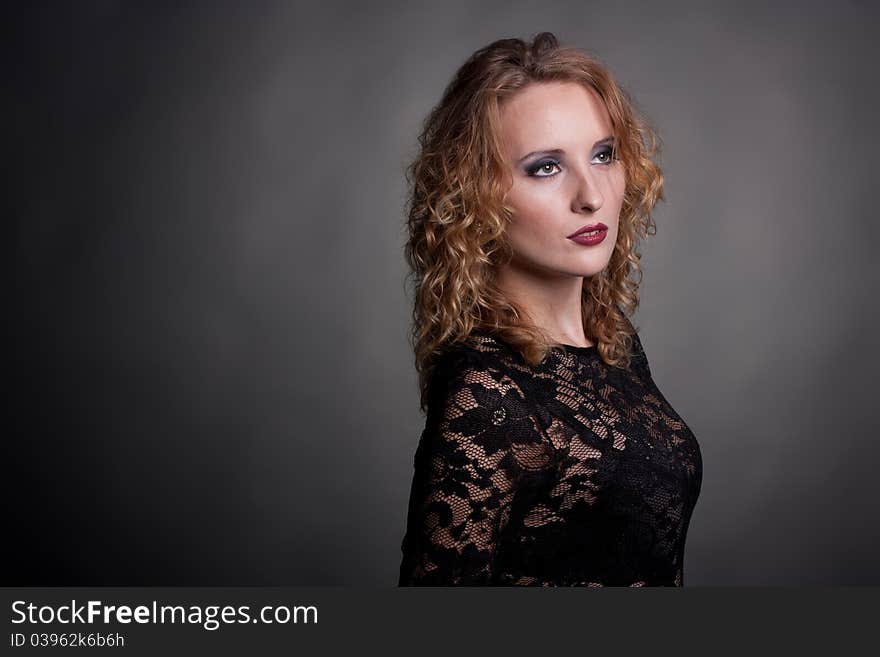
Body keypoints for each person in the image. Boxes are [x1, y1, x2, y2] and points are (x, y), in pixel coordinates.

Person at [398, 32, 702, 586]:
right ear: (476, 196)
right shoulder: (489, 392)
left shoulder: (613, 343)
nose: (591, 194)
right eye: (545, 167)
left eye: (603, 154)